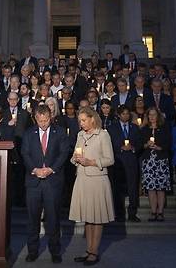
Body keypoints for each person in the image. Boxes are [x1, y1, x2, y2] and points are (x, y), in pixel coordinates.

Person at [21, 104, 69, 264]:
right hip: (33, 182)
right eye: (40, 121)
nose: (43, 123)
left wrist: (51, 169)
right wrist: (34, 169)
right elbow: (25, 154)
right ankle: (32, 251)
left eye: (46, 120)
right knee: (32, 219)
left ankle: (55, 251)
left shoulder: (60, 132)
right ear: (35, 119)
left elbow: (63, 153)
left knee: (53, 218)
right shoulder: (28, 134)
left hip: (52, 182)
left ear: (51, 117)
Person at [70, 107, 114, 266]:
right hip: (82, 179)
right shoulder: (80, 135)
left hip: (97, 180)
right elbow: (74, 157)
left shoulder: (103, 135)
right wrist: (75, 158)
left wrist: (91, 162)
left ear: (92, 119)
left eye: (83, 120)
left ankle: (94, 252)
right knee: (87, 218)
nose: (81, 124)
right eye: (79, 121)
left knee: (97, 218)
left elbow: (110, 159)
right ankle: (89, 250)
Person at [107, 105, 141, 222]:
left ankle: (132, 213)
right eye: (123, 114)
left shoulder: (135, 127)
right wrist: (120, 148)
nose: (125, 116)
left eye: (127, 114)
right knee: (117, 188)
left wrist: (133, 148)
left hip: (131, 160)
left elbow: (139, 143)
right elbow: (110, 143)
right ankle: (118, 213)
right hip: (118, 161)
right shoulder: (112, 128)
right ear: (119, 115)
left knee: (132, 187)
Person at [139, 106, 171, 221]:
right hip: (148, 161)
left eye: (154, 114)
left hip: (160, 161)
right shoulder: (144, 130)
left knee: (160, 188)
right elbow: (139, 146)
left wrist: (159, 147)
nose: (152, 117)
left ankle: (160, 212)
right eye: (150, 115)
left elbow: (168, 144)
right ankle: (153, 212)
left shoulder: (163, 128)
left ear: (158, 116)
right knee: (151, 188)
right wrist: (146, 145)